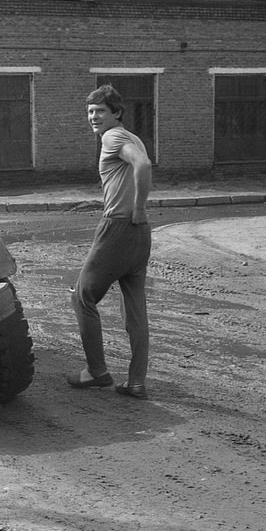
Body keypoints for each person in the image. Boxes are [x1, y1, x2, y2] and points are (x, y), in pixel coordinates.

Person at [67, 84, 153, 399]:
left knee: (82, 297)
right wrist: (139, 211)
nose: (93, 117)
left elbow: (142, 166)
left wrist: (138, 207)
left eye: (100, 111)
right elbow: (133, 170)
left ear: (116, 113)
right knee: (135, 310)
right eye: (90, 111)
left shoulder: (112, 136)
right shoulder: (133, 137)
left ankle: (96, 372)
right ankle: (136, 382)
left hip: (118, 228)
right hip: (140, 233)